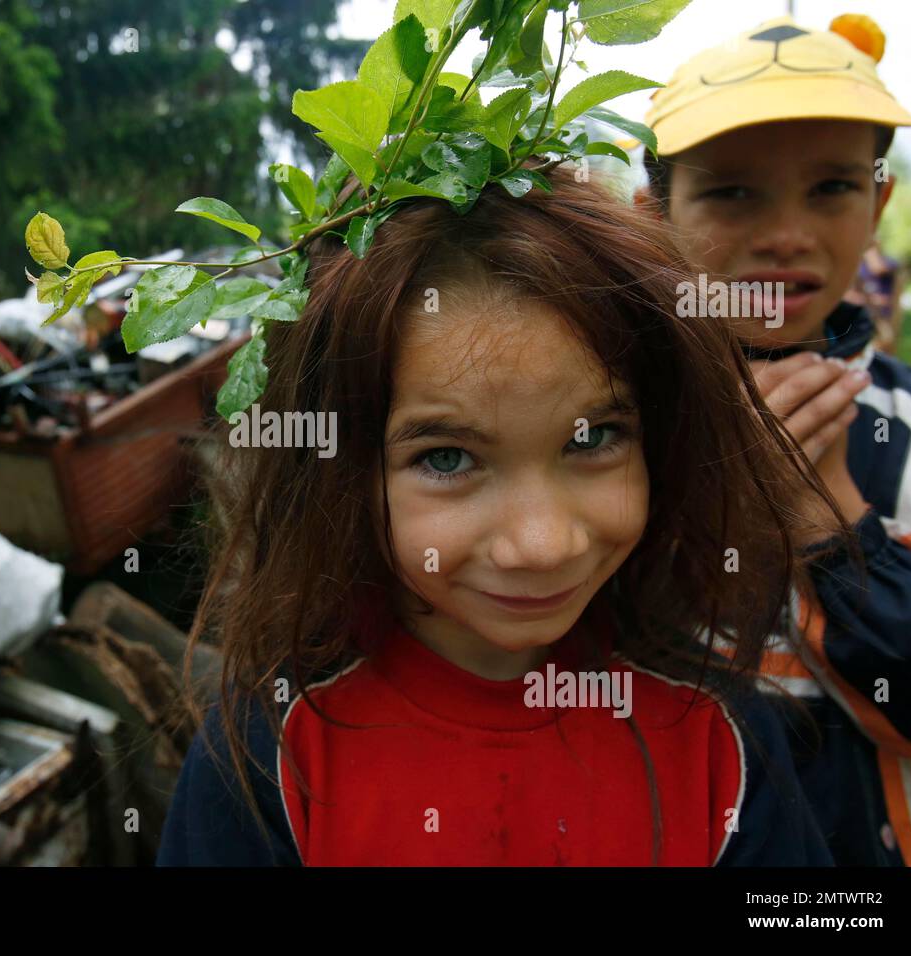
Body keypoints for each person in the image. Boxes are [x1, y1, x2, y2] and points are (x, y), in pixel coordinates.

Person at [157, 167, 834, 866]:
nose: (541, 545)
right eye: (447, 458)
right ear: (340, 471)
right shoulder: (268, 752)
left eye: (592, 438)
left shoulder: (723, 736)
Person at [641, 14, 911, 865]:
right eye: (732, 191)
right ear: (651, 214)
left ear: (878, 203)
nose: (787, 234)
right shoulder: (602, 427)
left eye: (833, 187)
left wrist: (821, 515)